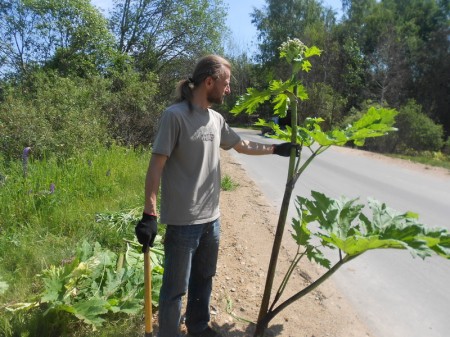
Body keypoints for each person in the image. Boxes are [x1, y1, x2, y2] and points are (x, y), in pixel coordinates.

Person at [135, 55, 298, 337]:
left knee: (204, 279)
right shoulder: (174, 116)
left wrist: (275, 149)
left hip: (212, 220)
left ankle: (198, 327)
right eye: (226, 83)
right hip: (183, 223)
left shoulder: (216, 119)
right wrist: (149, 213)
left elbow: (241, 144)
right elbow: (156, 166)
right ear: (209, 81)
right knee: (175, 290)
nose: (228, 89)